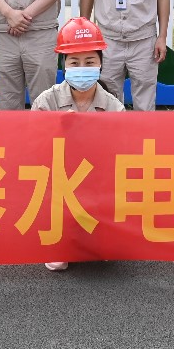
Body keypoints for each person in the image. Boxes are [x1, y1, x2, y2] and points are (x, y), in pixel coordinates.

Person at [32, 18, 126, 273]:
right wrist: (59, 131)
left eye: (90, 62)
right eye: (74, 62)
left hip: (97, 180)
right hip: (58, 181)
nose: (82, 68)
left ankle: (100, 234)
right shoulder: (46, 101)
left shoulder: (113, 106)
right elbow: (33, 149)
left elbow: (121, 154)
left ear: (100, 64)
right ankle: (57, 238)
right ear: (64, 64)